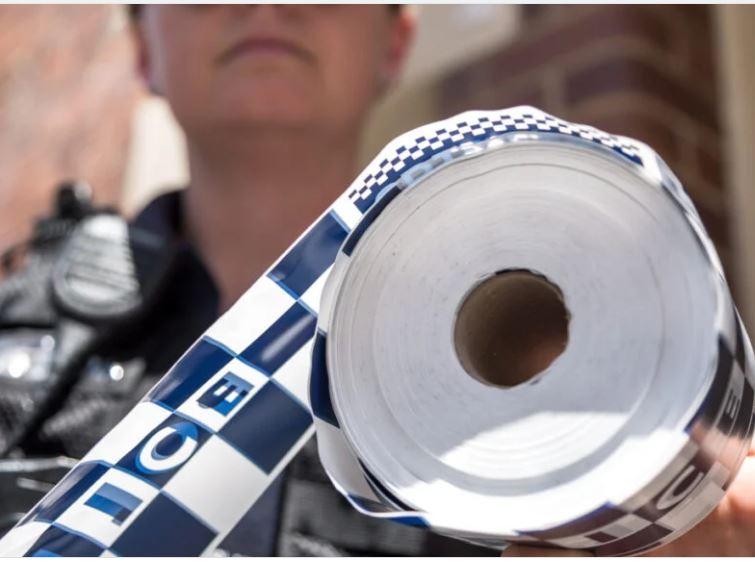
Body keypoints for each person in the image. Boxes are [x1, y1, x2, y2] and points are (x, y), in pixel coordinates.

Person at [0, 3, 752, 557]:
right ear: (142, 54)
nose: (267, 7)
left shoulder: (587, 390)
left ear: (394, 45)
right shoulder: (15, 334)